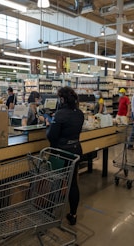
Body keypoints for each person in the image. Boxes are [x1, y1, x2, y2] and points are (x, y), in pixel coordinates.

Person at [46, 86, 84, 226]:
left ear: (62, 99)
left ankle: (50, 211)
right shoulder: (79, 113)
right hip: (75, 151)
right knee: (73, 183)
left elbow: (52, 136)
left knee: (55, 181)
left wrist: (49, 125)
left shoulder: (60, 114)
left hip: (61, 153)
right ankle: (73, 214)